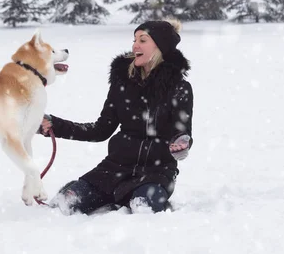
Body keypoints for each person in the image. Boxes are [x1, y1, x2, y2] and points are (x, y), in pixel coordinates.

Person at [39, 19, 193, 214]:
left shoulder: (180, 89)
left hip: (156, 173)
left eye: (143, 40)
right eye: (134, 39)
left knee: (144, 207)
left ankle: (137, 197)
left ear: (161, 46)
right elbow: (100, 130)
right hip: (114, 169)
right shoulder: (123, 84)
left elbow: (183, 131)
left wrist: (181, 144)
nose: (135, 45)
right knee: (65, 203)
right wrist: (55, 125)